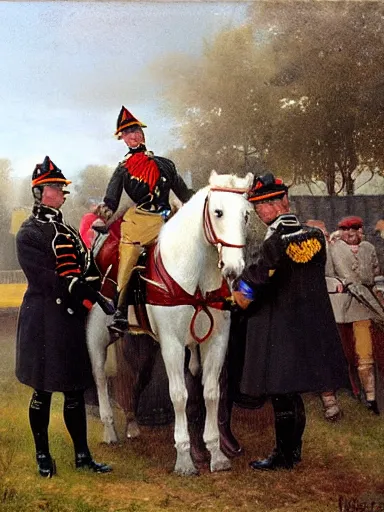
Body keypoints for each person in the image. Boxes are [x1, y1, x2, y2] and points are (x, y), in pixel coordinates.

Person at [233, 172, 348, 471]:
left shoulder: (274, 242)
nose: (260, 211)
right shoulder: (314, 237)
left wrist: (235, 295)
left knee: (282, 396)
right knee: (292, 393)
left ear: (281, 202)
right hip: (308, 327)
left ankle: (283, 456)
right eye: (258, 205)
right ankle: (292, 451)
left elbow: (255, 280)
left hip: (278, 330)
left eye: (264, 204)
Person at [16, 156, 113, 478]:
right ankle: (42, 455)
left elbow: (84, 266)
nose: (61, 193)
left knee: (73, 390)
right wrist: (83, 290)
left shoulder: (66, 228)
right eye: (56, 188)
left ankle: (82, 455)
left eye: (61, 188)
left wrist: (95, 280)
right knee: (42, 391)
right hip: (44, 319)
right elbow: (45, 279)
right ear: (40, 192)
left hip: (69, 319)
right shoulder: (28, 233)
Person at [95, 106, 194, 334]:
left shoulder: (165, 164)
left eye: (136, 130)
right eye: (128, 133)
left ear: (143, 133)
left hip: (167, 221)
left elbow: (184, 194)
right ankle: (120, 311)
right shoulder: (122, 170)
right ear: (123, 139)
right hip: (139, 221)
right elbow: (111, 199)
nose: (134, 135)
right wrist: (103, 216)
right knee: (128, 257)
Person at [327, 215, 384, 415]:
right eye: (345, 230)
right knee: (344, 352)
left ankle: (371, 399)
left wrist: (377, 295)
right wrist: (339, 285)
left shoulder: (368, 248)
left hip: (365, 305)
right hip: (343, 308)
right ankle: (349, 391)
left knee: (365, 352)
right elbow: (327, 277)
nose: (350, 234)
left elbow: (376, 273)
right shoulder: (333, 249)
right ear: (340, 231)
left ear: (360, 230)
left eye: (354, 229)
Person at [305, 219, 342, 422]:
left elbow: (336, 274)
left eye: (324, 233)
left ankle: (330, 399)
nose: (323, 237)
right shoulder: (303, 252)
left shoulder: (332, 249)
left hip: (333, 307)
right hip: (309, 308)